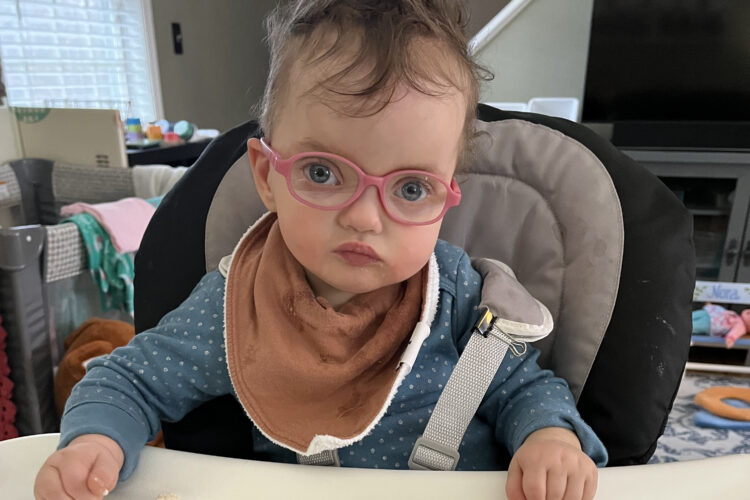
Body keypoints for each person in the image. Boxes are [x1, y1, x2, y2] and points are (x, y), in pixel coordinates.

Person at [34, 1, 607, 499]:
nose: (362, 216)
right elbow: (129, 380)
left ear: (448, 197)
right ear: (266, 175)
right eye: (322, 172)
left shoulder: (460, 299)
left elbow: (524, 388)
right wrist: (96, 442)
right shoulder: (238, 307)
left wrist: (548, 438)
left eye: (410, 189)